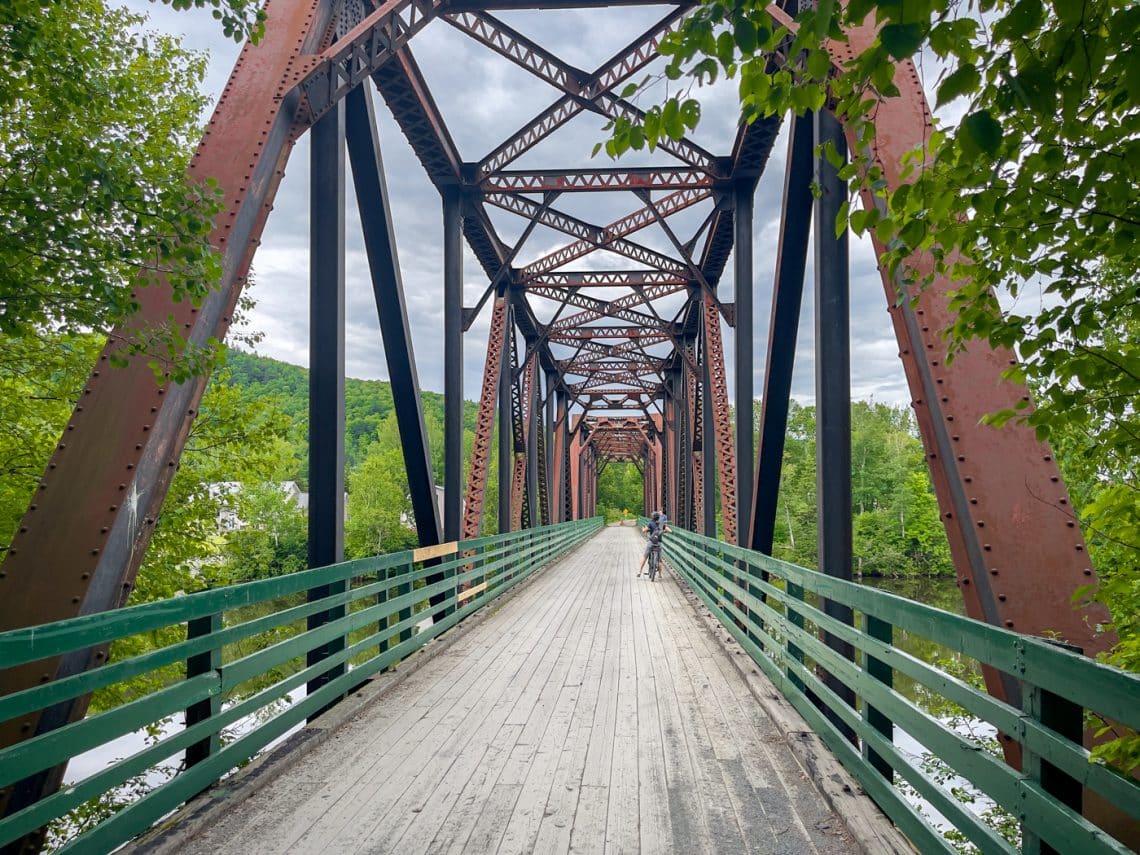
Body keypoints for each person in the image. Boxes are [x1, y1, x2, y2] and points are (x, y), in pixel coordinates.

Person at [637, 511, 671, 577]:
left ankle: (639, 571)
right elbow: (670, 530)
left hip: (651, 542)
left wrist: (643, 529)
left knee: (645, 557)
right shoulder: (661, 524)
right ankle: (660, 575)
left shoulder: (650, 523)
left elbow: (644, 531)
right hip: (659, 543)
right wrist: (663, 531)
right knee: (660, 560)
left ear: (652, 517)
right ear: (658, 517)